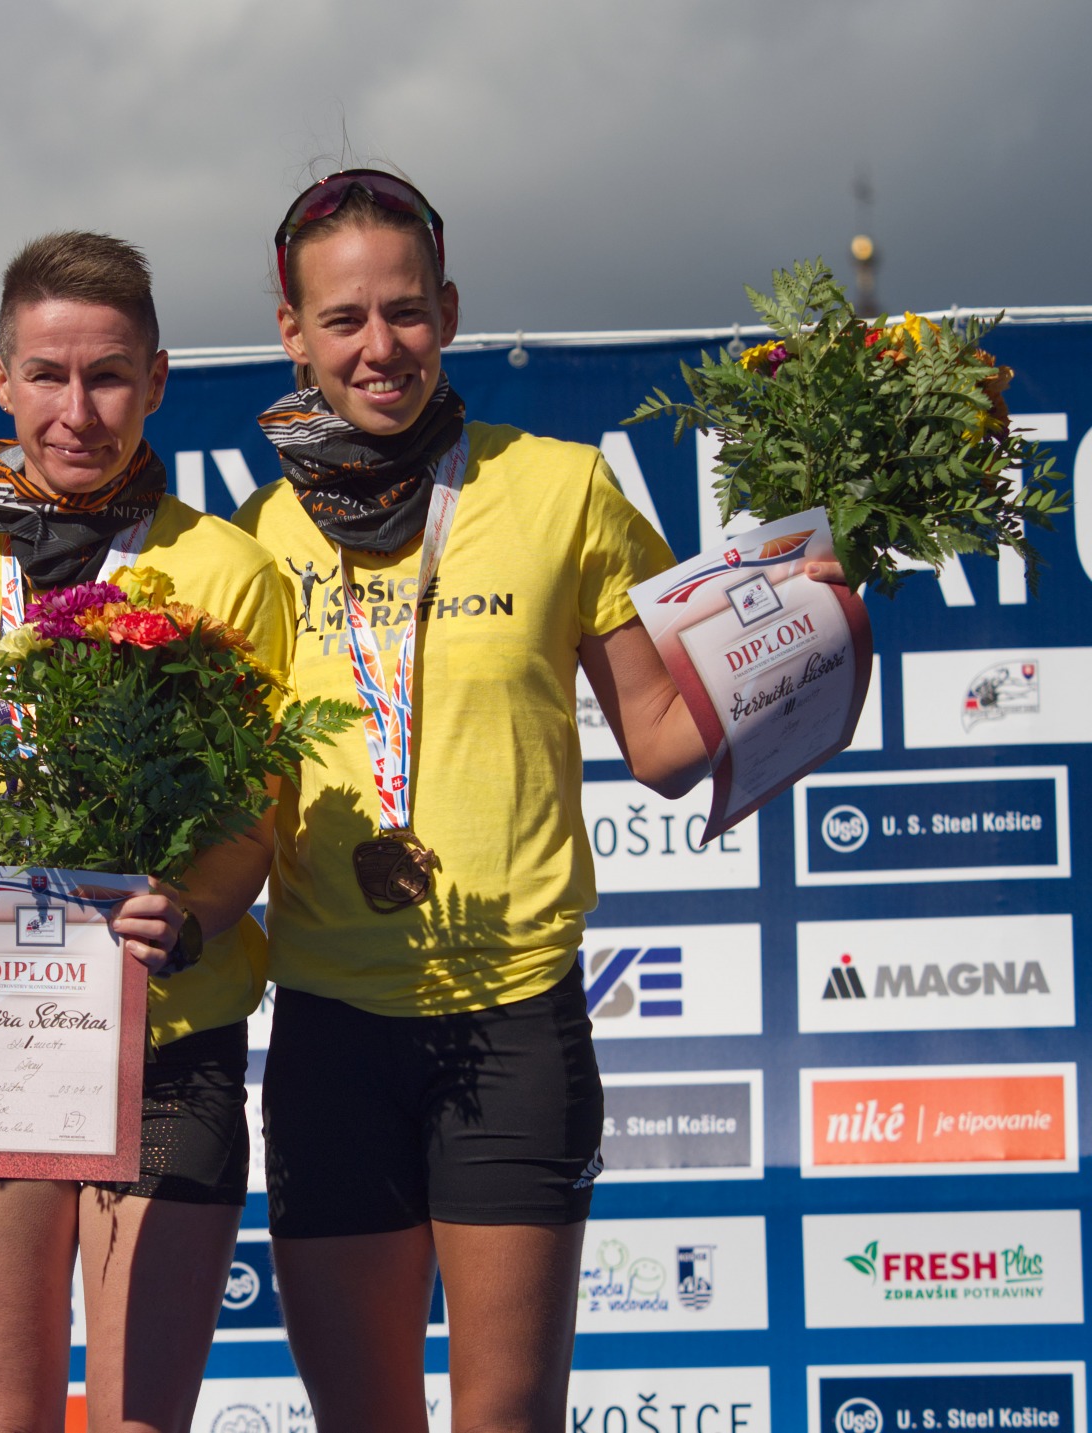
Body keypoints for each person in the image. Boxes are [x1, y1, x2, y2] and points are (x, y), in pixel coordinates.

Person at [232, 171, 846, 1431]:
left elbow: (661, 741)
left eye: (406, 310)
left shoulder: (563, 488)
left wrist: (812, 624)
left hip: (515, 1020)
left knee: (509, 1415)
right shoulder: (256, 536)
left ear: (450, 311)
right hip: (332, 1030)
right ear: (292, 331)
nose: (380, 345)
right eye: (343, 318)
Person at [0, 231, 294, 1433]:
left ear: (156, 380)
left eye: (108, 376)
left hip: (169, 1033)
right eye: (48, 376)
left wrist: (193, 909)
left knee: (137, 1422)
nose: (77, 411)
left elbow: (257, 807)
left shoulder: (228, 568)